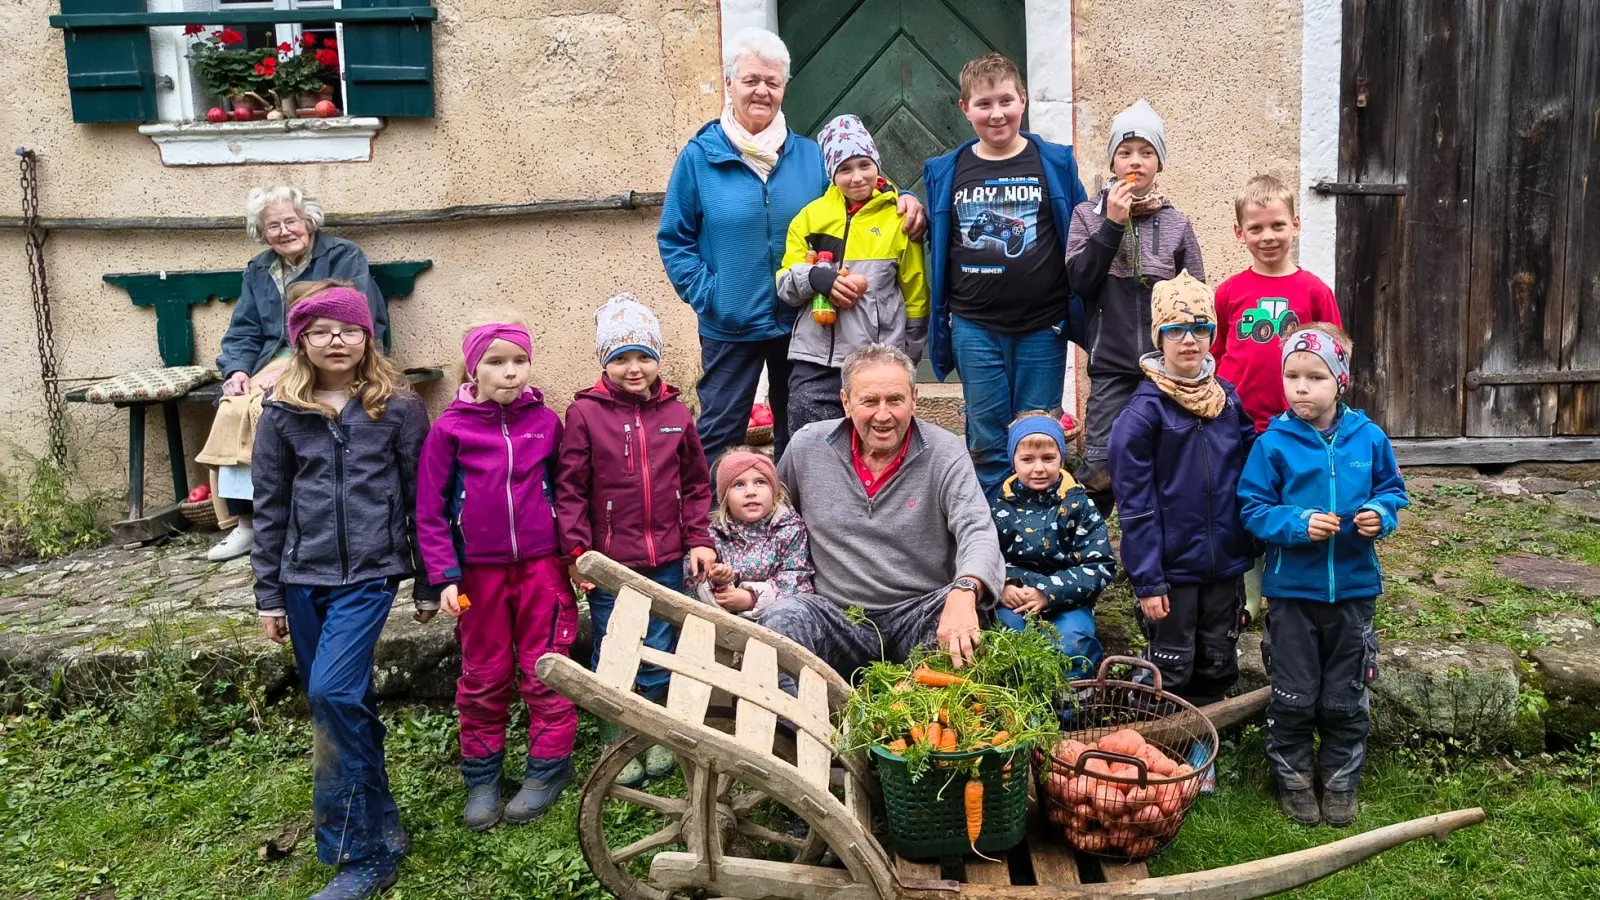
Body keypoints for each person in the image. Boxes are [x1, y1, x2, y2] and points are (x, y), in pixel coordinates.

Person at [658, 27, 925, 472]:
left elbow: (854, 204)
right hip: (731, 323)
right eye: (751, 80)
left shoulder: (808, 157)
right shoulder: (698, 158)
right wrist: (711, 295)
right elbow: (675, 238)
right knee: (721, 430)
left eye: (773, 82)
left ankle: (790, 527)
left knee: (797, 434)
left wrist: (903, 197)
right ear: (729, 85)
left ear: (784, 88)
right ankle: (703, 527)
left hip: (804, 324)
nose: (762, 90)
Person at [250, 284, 431, 900]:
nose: (336, 340)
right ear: (300, 339)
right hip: (303, 580)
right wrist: (268, 594)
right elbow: (270, 506)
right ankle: (381, 815)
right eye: (322, 330)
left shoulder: (398, 408)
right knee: (341, 702)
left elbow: (421, 500)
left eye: (348, 329)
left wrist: (429, 578)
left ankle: (361, 853)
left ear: (367, 337)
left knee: (329, 695)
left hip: (371, 576)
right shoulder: (281, 413)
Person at [1237, 323, 1408, 828]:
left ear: (1341, 381)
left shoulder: (1368, 438)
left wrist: (1381, 512)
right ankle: (1292, 778)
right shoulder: (1273, 444)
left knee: (1346, 692)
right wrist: (1296, 523)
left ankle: (1339, 779)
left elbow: (1393, 491)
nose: (1301, 387)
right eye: (1292, 376)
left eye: (1315, 376)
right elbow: (1252, 508)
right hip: (1292, 593)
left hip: (1354, 591)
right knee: (1293, 692)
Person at [414, 319, 578, 832]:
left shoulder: (546, 423)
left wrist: (573, 553)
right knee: (483, 674)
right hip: (477, 577)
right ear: (473, 368)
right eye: (496, 362)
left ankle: (548, 767)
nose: (510, 374)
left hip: (542, 568)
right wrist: (443, 576)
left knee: (546, 667)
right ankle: (482, 777)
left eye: (519, 362)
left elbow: (567, 490)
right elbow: (430, 510)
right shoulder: (450, 430)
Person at [763, 344, 1005, 677]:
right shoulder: (807, 447)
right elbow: (771, 517)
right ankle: (798, 726)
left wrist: (965, 592)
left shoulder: (945, 453)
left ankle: (919, 716)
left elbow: (977, 529)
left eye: (895, 400)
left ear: (914, 398)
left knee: (969, 632)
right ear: (846, 402)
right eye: (869, 401)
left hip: (919, 614)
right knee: (784, 619)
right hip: (839, 618)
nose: (883, 415)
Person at [554, 294, 716, 787]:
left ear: (658, 358)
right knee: (615, 641)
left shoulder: (676, 413)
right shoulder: (584, 413)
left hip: (667, 555)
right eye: (620, 357)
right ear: (604, 361)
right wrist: (579, 552)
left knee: (661, 643)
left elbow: (695, 484)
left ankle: (654, 733)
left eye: (643, 355)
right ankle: (619, 735)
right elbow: (571, 488)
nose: (633, 368)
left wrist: (699, 539)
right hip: (610, 560)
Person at [922, 52, 1089, 499]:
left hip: (1043, 325)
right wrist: (903, 199)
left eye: (1006, 101)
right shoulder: (947, 170)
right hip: (974, 327)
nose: (996, 114)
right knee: (987, 438)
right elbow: (934, 231)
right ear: (965, 108)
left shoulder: (1053, 163)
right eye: (984, 104)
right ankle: (994, 535)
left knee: (1038, 435)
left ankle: (1043, 531)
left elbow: (1082, 232)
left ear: (1024, 100)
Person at [198, 185, 390, 562]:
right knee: (236, 405)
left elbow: (355, 316)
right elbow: (245, 330)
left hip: (332, 350)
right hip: (272, 360)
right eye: (273, 226)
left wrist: (294, 363)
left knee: (267, 405)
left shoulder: (343, 256)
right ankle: (247, 525)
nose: (284, 231)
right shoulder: (258, 270)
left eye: (291, 221)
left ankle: (284, 516)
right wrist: (236, 369)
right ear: (262, 232)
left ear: (308, 222)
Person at [1108, 272, 1254, 721]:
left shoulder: (1227, 402)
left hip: (1223, 562)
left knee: (1216, 659)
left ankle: (1205, 749)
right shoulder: (1142, 413)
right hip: (1172, 571)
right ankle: (1160, 743)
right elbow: (1136, 507)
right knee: (1170, 663)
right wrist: (1148, 580)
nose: (1188, 340)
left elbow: (1252, 475)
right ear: (1160, 337)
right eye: (1175, 330)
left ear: (1212, 334)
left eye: (1200, 329)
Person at [1214, 175, 1344, 624]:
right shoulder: (1229, 292)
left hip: (1295, 424)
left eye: (1277, 226)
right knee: (1247, 504)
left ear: (1296, 224)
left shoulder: (1313, 291)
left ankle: (1291, 586)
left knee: (1292, 501)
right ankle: (1248, 597)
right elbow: (1217, 356)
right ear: (1239, 233)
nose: (1267, 237)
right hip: (1239, 424)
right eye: (1256, 228)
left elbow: (1335, 353)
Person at [1069, 100, 1204, 504]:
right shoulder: (1086, 215)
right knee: (1098, 467)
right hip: (1111, 366)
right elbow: (1079, 279)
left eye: (1147, 152)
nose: (1136, 161)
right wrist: (1111, 224)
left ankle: (1153, 554)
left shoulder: (1178, 223)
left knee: (1163, 464)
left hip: (1167, 368)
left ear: (1159, 163)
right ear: (1112, 159)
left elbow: (1195, 295)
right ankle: (1092, 556)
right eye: (1125, 152)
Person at [776, 114, 929, 436]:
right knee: (809, 442)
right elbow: (786, 286)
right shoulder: (809, 218)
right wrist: (816, 278)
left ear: (877, 163)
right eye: (844, 169)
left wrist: (906, 357)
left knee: (874, 445)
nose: (857, 177)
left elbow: (915, 292)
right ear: (832, 174)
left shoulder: (898, 218)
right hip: (815, 357)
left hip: (875, 359)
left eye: (864, 165)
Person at [989, 413, 1115, 678]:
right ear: (1013, 460)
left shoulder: (1078, 505)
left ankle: (1069, 709)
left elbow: (1099, 565)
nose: (1038, 468)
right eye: (1027, 459)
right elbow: (984, 556)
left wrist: (1047, 592)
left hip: (1068, 601)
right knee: (1005, 640)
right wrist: (1001, 585)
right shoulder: (997, 507)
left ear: (1061, 457)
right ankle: (1018, 708)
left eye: (1048, 458)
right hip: (1014, 600)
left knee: (1074, 642)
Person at [683, 450, 812, 621]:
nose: (750, 492)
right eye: (738, 484)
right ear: (724, 497)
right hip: (724, 625)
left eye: (760, 482)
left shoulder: (790, 529)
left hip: (777, 623)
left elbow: (796, 576)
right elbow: (692, 581)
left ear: (774, 491)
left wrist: (752, 598)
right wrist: (719, 582)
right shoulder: (714, 535)